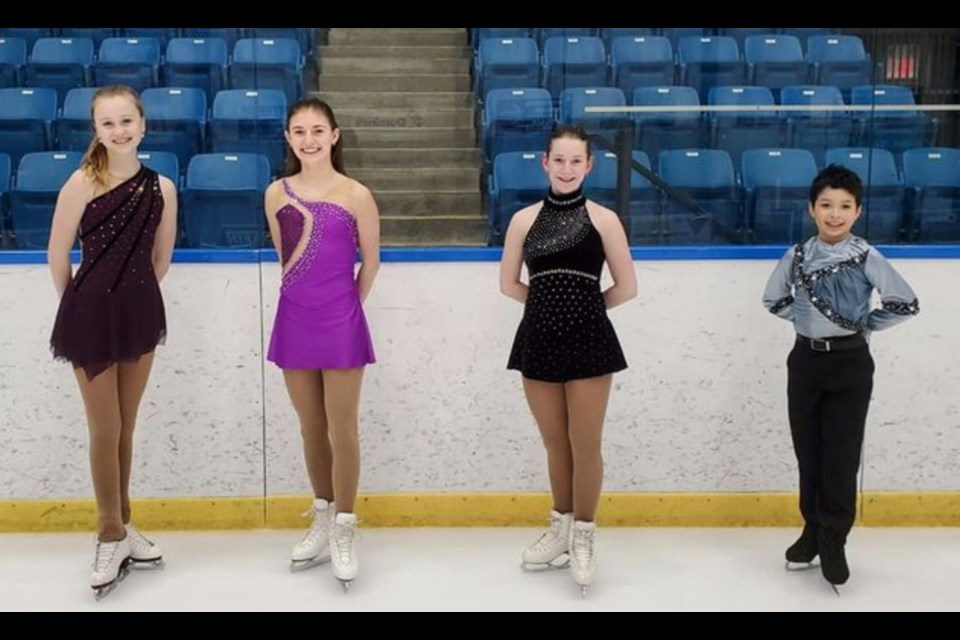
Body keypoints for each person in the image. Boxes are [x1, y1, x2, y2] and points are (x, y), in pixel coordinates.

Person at [762, 164, 919, 592]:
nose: (835, 214)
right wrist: (808, 321)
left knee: (841, 455)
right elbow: (772, 299)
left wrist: (864, 324)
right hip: (805, 363)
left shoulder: (868, 256)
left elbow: (905, 303)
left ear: (857, 211)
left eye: (844, 206)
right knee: (808, 451)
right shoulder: (796, 256)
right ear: (812, 209)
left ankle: (835, 538)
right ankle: (811, 529)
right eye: (826, 205)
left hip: (850, 365)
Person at [48, 85, 177, 598]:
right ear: (96, 130)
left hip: (140, 313)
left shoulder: (163, 188)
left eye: (127, 121)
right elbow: (58, 255)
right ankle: (107, 532)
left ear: (143, 125)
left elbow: (161, 259)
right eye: (108, 124)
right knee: (104, 428)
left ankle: (123, 525)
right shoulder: (81, 183)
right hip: (90, 315)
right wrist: (80, 306)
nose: (119, 131)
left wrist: (133, 296)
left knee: (126, 426)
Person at [499, 125, 637, 596]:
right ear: (545, 162)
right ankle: (560, 528)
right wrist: (544, 309)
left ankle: (583, 536)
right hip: (538, 340)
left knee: (585, 444)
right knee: (555, 444)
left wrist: (585, 309)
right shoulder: (522, 220)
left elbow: (627, 285)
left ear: (589, 165)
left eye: (576, 160)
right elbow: (509, 284)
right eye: (559, 160)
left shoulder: (604, 219)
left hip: (589, 341)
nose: (566, 168)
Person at [265, 97, 380, 591]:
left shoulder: (356, 194)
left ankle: (346, 526)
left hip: (341, 320)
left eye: (317, 130)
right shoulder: (276, 193)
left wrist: (346, 307)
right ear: (288, 138)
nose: (308, 139)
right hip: (294, 319)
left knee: (342, 428)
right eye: (298, 131)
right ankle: (322, 512)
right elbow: (284, 257)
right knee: (311, 426)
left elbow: (370, 263)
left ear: (335, 135)